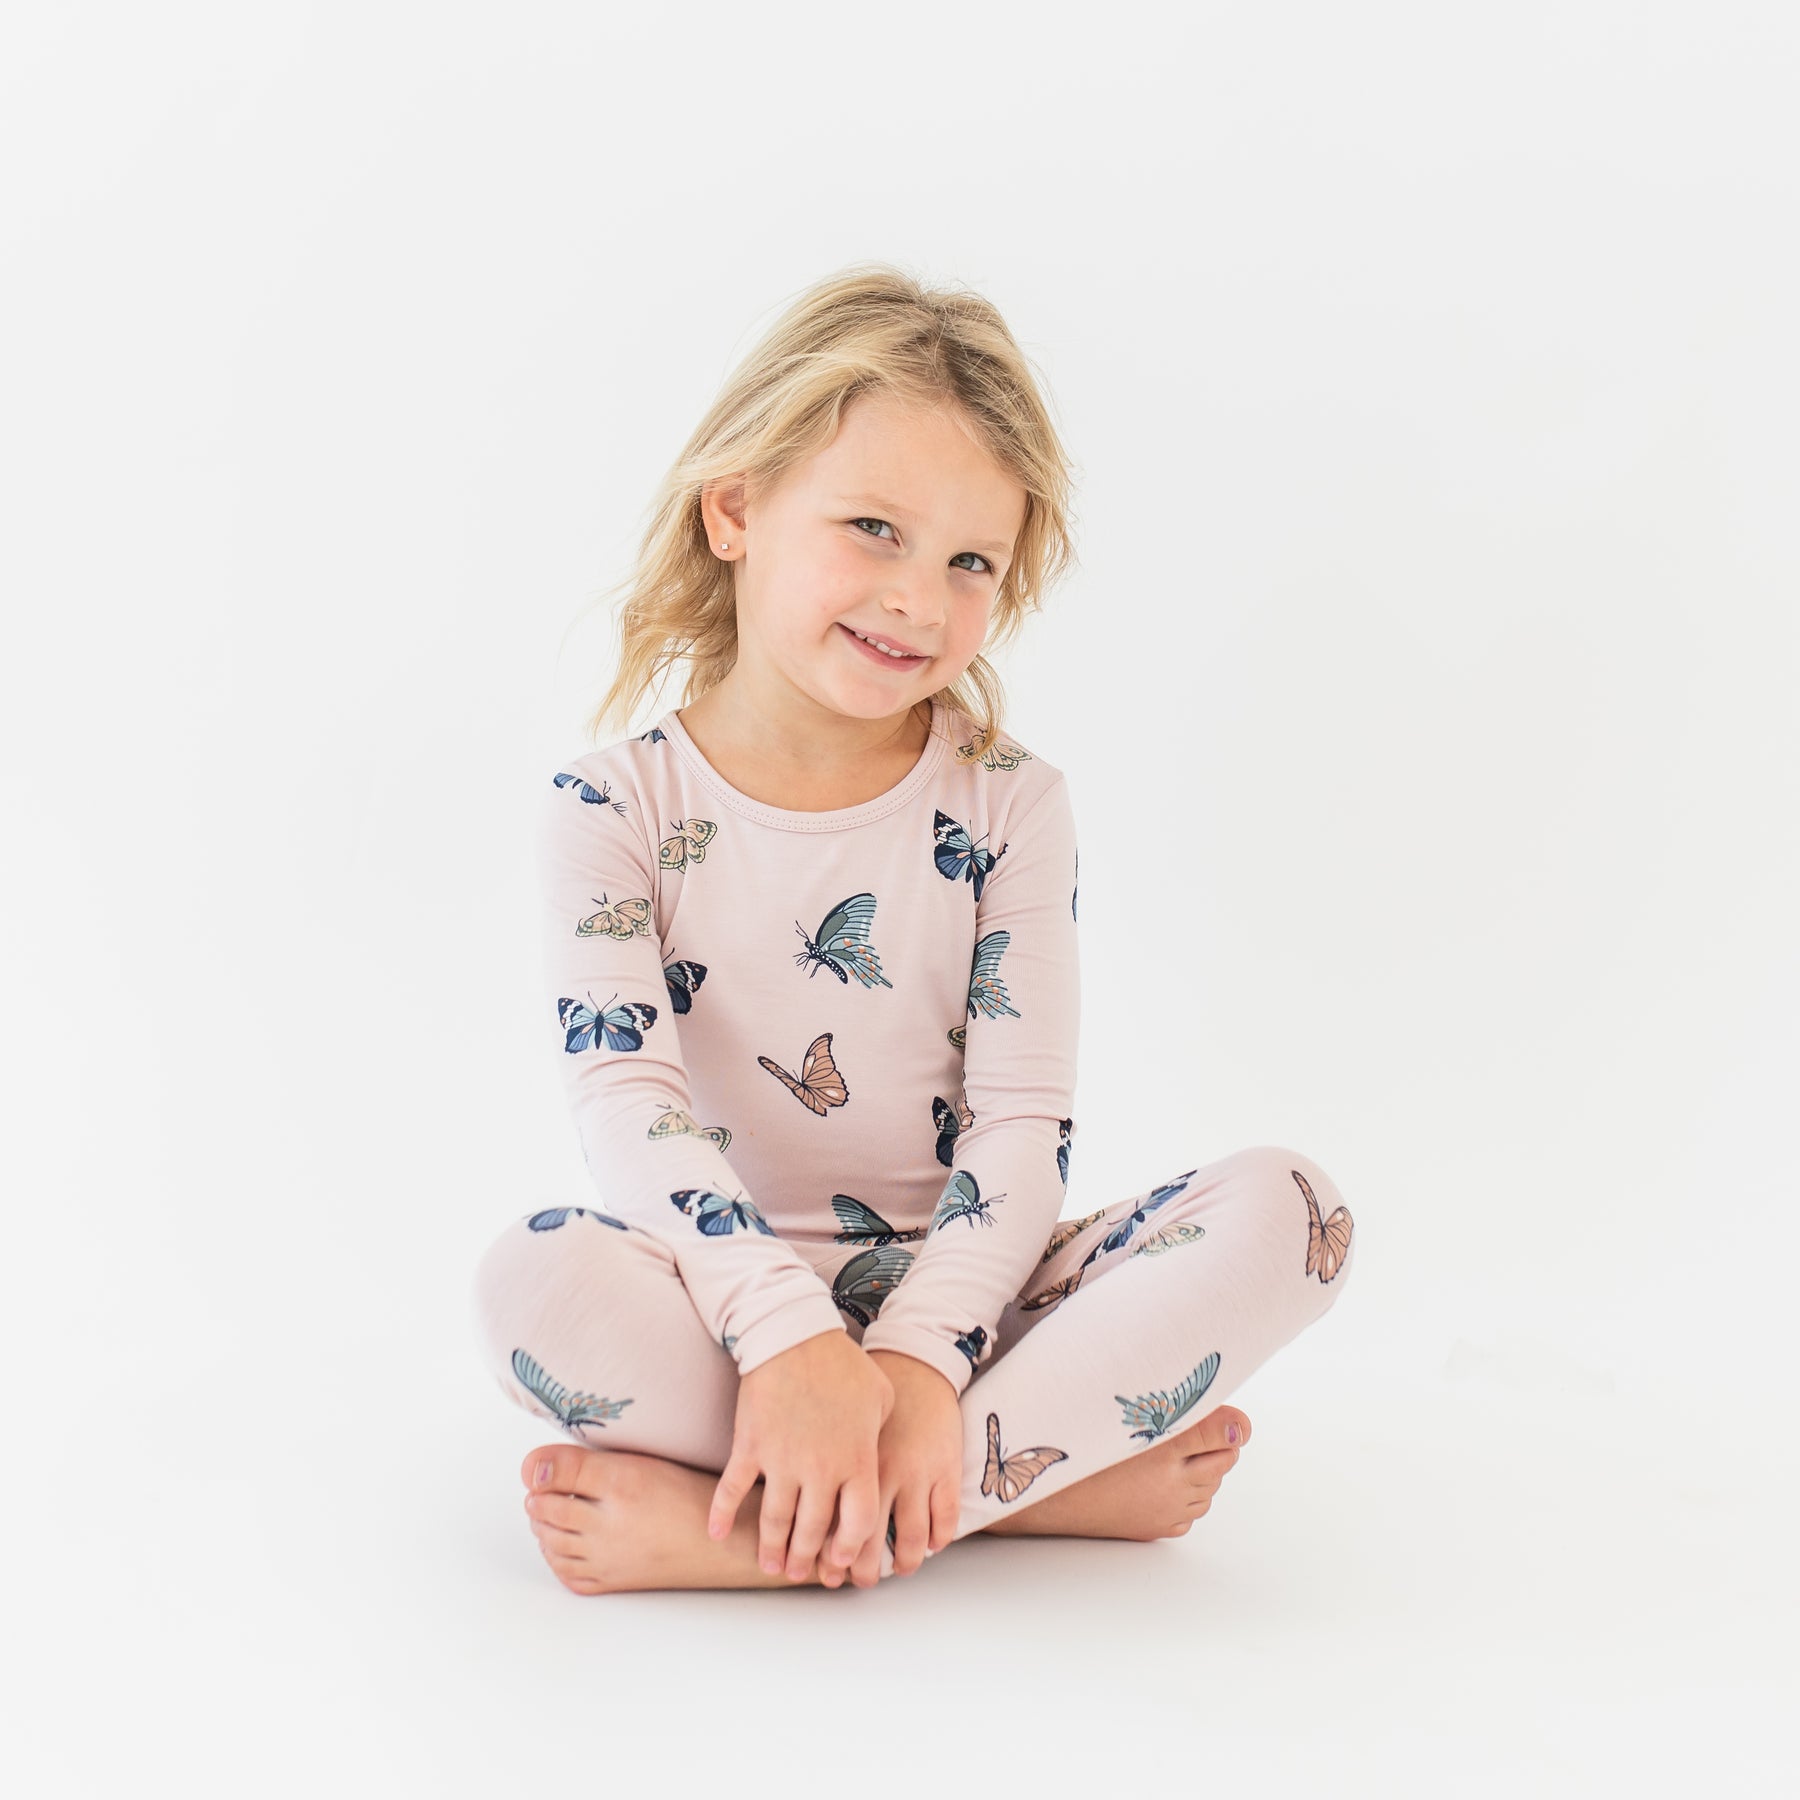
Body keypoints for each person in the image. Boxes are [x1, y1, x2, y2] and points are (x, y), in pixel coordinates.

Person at [470, 262, 1358, 1596]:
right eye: (872, 529)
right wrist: (785, 1340)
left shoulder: (1010, 806)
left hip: (973, 1306)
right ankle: (1013, 1491)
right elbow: (629, 1105)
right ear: (736, 509)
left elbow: (1018, 1129)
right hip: (714, 1307)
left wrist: (912, 1359)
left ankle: (748, 1530)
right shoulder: (608, 809)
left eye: (968, 562)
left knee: (1296, 1212)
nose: (917, 600)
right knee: (527, 1287)